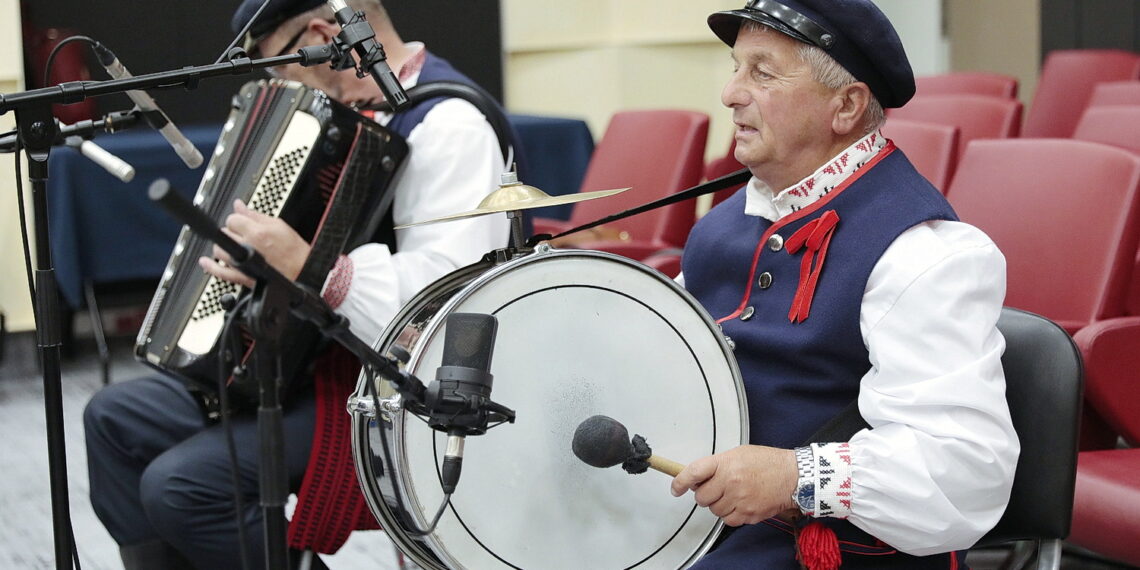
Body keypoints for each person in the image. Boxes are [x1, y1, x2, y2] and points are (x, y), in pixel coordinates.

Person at [83, 0, 512, 567]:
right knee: (112, 419)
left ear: (321, 35)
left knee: (181, 488)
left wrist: (313, 269)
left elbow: (447, 310)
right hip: (310, 363)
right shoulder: (347, 116)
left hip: (392, 398)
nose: (282, 86)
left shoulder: (448, 122)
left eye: (282, 68)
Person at [668, 1, 1020, 568]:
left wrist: (792, 476)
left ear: (847, 106)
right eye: (736, 67)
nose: (731, 92)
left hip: (813, 548)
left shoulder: (924, 253)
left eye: (761, 72)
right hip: (692, 520)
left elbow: (965, 470)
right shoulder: (732, 217)